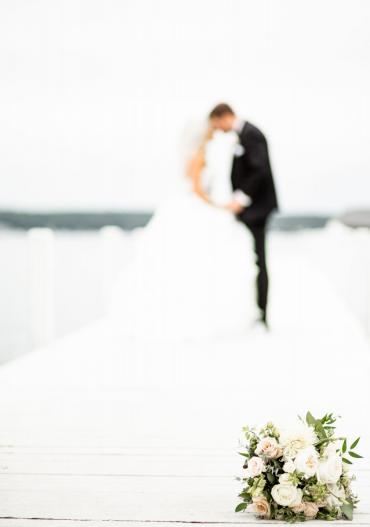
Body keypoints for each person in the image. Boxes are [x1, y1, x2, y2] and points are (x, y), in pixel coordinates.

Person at [108, 126, 257, 339]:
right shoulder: (198, 157)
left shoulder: (205, 154)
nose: (215, 136)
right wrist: (216, 205)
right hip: (196, 206)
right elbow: (197, 189)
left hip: (201, 206)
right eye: (212, 133)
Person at [209, 103, 278, 327]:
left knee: (259, 261)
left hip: (257, 211)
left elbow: (260, 170)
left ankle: (262, 313)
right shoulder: (244, 135)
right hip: (252, 210)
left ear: (224, 116)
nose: (218, 130)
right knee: (253, 259)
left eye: (217, 125)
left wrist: (241, 198)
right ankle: (255, 309)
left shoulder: (251, 134)